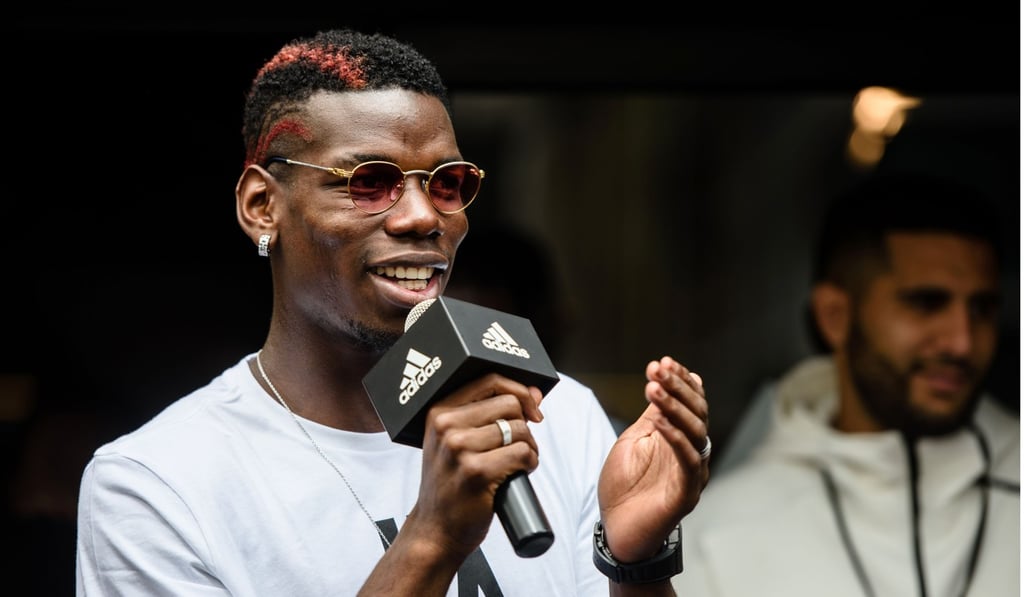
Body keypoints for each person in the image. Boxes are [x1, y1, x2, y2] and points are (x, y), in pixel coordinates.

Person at [75, 28, 711, 596]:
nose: (422, 217)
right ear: (262, 206)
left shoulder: (557, 417)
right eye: (368, 182)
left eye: (446, 184)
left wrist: (638, 565)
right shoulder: (156, 484)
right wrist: (431, 540)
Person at [671, 170, 1019, 597]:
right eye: (927, 303)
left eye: (982, 309)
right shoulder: (715, 534)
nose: (962, 342)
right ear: (834, 316)